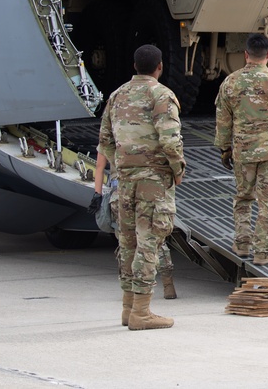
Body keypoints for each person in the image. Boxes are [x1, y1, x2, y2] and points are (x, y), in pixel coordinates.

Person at [97, 44, 185, 330]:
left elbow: (105, 142)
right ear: (159, 67)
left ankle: (127, 309)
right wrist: (177, 169)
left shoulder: (117, 96)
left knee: (127, 243)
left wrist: (123, 166)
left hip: (124, 181)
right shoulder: (162, 96)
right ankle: (142, 313)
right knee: (149, 242)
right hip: (153, 183)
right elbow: (170, 141)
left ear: (134, 66)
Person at [214, 33, 268, 266]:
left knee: (243, 197)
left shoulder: (231, 82)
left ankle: (241, 244)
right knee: (267, 201)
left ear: (246, 54)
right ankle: (263, 251)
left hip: (243, 151)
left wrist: (224, 148)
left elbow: (223, 120)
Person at [90, 152, 177, 301]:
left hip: (121, 192)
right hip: (147, 189)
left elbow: (99, 166)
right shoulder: (146, 130)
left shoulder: (112, 132)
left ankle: (129, 291)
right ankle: (168, 285)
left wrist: (97, 194)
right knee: (155, 239)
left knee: (126, 242)